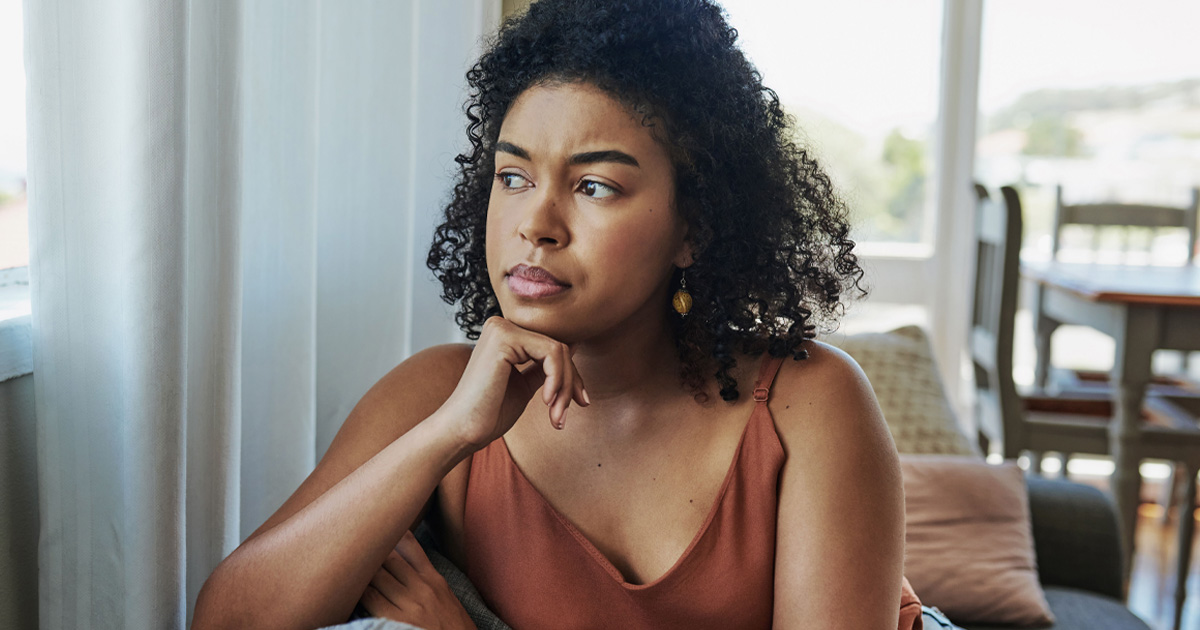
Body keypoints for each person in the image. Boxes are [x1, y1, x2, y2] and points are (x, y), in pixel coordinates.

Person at [195, 1, 945, 628]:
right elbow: (225, 621)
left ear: (696, 227)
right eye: (514, 176)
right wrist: (451, 434)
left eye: (594, 188)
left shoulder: (806, 403)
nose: (537, 223)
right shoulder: (438, 396)